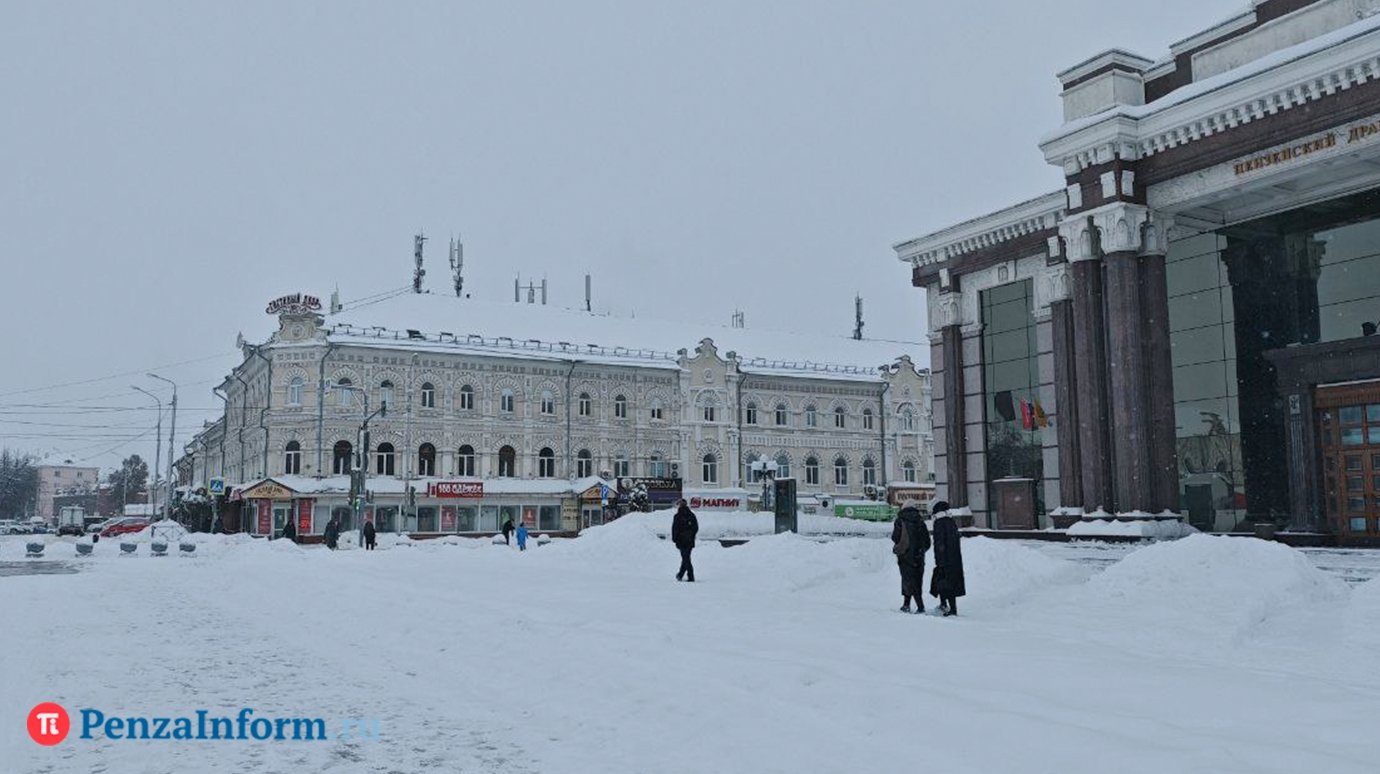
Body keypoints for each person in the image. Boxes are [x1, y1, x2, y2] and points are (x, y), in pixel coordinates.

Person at [890, 500, 931, 613]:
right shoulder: (920, 521)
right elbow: (927, 542)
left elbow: (895, 538)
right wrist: (920, 551)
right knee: (917, 580)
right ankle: (907, 604)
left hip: (905, 555)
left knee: (907, 580)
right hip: (918, 556)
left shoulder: (900, 520)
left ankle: (918, 606)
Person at [929, 501, 966, 616]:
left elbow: (939, 543)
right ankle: (948, 606)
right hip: (954, 559)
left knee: (944, 584)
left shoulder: (939, 523)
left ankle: (949, 607)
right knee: (949, 584)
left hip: (944, 560)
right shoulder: (951, 522)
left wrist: (939, 559)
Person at [671, 499, 699, 582]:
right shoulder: (692, 515)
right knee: (686, 557)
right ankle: (680, 574)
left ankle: (690, 576)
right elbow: (696, 528)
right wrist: (691, 535)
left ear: (680, 505)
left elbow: (674, 529)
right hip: (690, 540)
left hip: (681, 540)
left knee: (685, 558)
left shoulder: (677, 516)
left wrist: (675, 539)